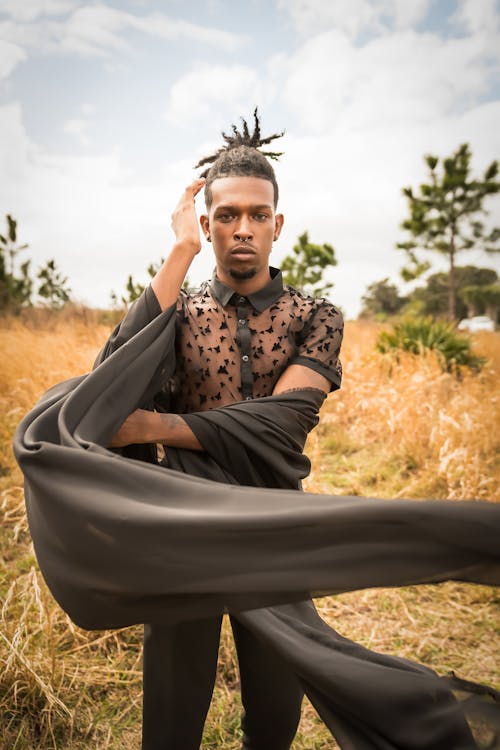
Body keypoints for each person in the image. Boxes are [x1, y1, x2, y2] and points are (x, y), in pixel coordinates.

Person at [108, 110, 344, 750]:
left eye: (258, 215)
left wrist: (155, 424)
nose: (244, 228)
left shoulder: (315, 316)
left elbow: (282, 424)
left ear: (278, 224)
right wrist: (179, 253)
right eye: (228, 215)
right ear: (207, 222)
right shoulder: (174, 310)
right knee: (173, 710)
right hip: (180, 526)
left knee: (275, 711)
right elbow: (108, 388)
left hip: (276, 527)